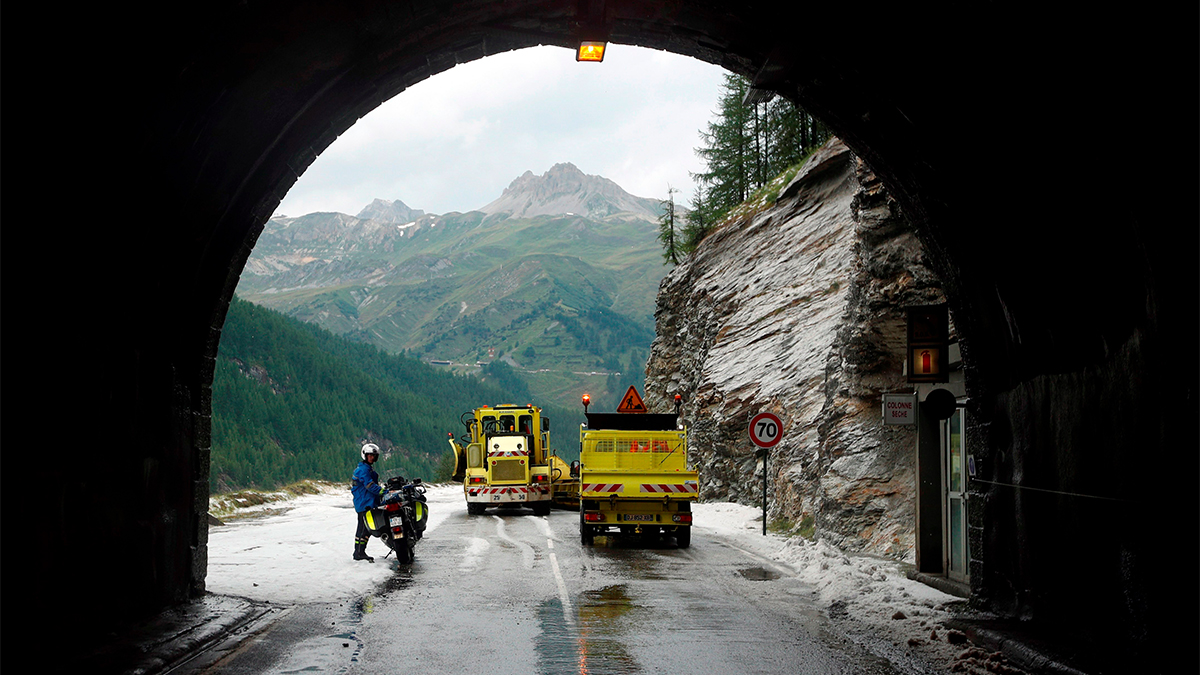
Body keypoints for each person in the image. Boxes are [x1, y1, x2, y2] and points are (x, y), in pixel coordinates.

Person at [351, 443, 384, 562]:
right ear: (364, 455)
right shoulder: (362, 470)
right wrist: (382, 491)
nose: (372, 458)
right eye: (370, 455)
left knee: (367, 529)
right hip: (364, 503)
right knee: (363, 528)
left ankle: (360, 551)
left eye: (374, 456)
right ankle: (358, 553)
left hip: (368, 502)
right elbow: (370, 485)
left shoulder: (368, 469)